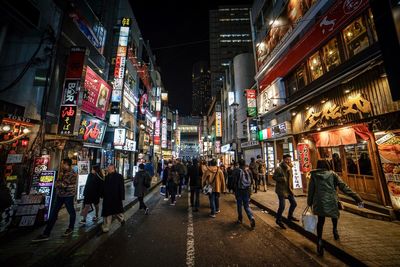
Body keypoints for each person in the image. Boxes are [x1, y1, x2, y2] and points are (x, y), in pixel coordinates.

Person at [307, 160, 363, 256]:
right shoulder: (332, 174)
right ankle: (335, 230)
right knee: (334, 215)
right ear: (327, 165)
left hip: (319, 201)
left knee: (320, 221)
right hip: (331, 199)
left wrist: (309, 203)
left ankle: (319, 240)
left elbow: (311, 190)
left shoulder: (314, 175)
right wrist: (357, 198)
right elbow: (344, 187)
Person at [32, 158, 77, 242]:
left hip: (68, 196)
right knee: (53, 213)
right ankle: (46, 233)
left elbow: (63, 184)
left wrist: (57, 183)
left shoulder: (72, 173)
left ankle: (70, 228)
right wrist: (58, 182)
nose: (61, 165)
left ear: (66, 164)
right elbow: (60, 182)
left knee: (71, 212)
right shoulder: (63, 172)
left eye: (62, 163)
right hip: (60, 195)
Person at [272, 154, 298, 229]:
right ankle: (278, 220)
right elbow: (274, 177)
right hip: (281, 190)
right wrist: (281, 179)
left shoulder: (290, 167)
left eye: (289, 159)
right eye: (287, 159)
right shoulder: (279, 168)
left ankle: (290, 216)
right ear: (283, 160)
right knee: (282, 206)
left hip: (288, 189)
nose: (288, 161)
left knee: (294, 203)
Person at [232, 159, 256, 229]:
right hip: (247, 191)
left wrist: (234, 189)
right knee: (247, 206)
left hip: (239, 191)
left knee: (239, 205)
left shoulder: (236, 171)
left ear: (239, 164)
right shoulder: (248, 171)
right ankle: (251, 217)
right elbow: (251, 181)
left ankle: (240, 219)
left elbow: (234, 181)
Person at [101, 164, 125, 233]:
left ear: (113, 168)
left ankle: (122, 220)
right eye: (107, 168)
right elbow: (104, 187)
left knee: (116, 212)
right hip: (107, 198)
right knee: (108, 213)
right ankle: (107, 227)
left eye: (109, 168)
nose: (107, 169)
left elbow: (121, 187)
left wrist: (122, 197)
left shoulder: (119, 176)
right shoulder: (106, 177)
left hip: (116, 197)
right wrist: (102, 194)